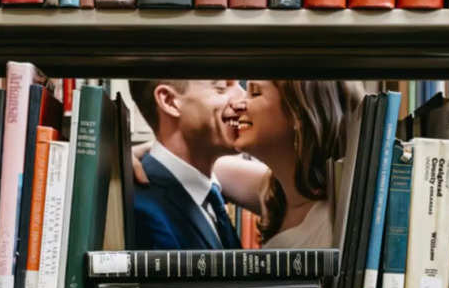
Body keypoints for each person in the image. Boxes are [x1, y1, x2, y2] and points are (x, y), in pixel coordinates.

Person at [133, 80, 364, 249]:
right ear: (170, 101)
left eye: (253, 92)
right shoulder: (147, 209)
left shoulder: (336, 208)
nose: (240, 99)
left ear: (298, 115)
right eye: (221, 87)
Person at [128, 79, 244, 250]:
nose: (244, 98)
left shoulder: (209, 194)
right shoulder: (142, 211)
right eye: (221, 88)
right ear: (169, 101)